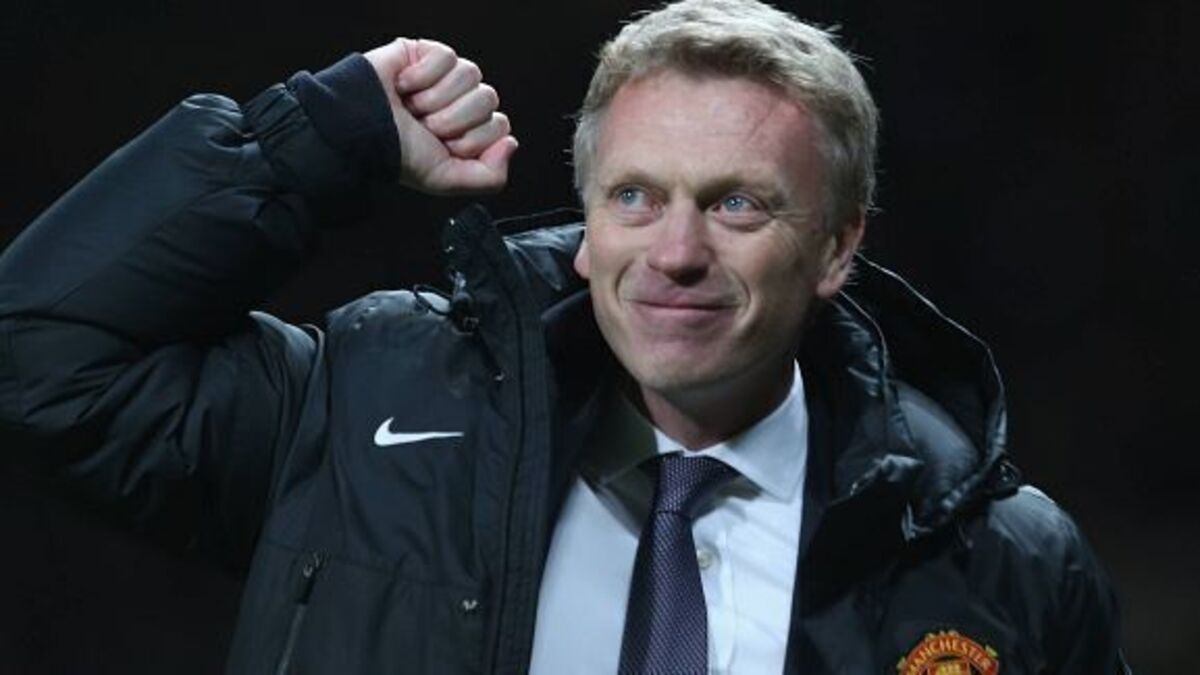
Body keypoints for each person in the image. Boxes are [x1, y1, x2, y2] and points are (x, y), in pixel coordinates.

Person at [0, 0, 1131, 672]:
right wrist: (317, 137)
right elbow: (43, 351)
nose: (674, 251)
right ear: (585, 227)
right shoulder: (367, 415)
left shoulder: (1003, 565)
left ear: (837, 248)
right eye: (635, 197)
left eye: (737, 204)